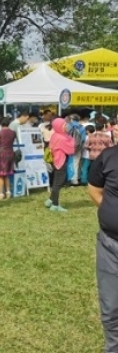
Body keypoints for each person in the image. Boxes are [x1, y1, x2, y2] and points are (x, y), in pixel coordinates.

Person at [87, 126, 118, 352]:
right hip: (110, 245)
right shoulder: (108, 157)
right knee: (111, 308)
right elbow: (95, 191)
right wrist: (110, 212)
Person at [44, 117, 75, 212]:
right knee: (58, 183)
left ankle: (50, 200)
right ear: (59, 126)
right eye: (64, 125)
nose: (66, 126)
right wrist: (71, 139)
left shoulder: (55, 135)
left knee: (57, 182)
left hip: (55, 161)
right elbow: (71, 150)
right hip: (61, 162)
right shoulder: (62, 138)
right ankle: (55, 205)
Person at [0, 117, 16, 200]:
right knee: (6, 174)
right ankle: (8, 192)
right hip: (10, 153)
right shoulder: (13, 133)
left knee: (0, 175)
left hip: (1, 153)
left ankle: (0, 194)